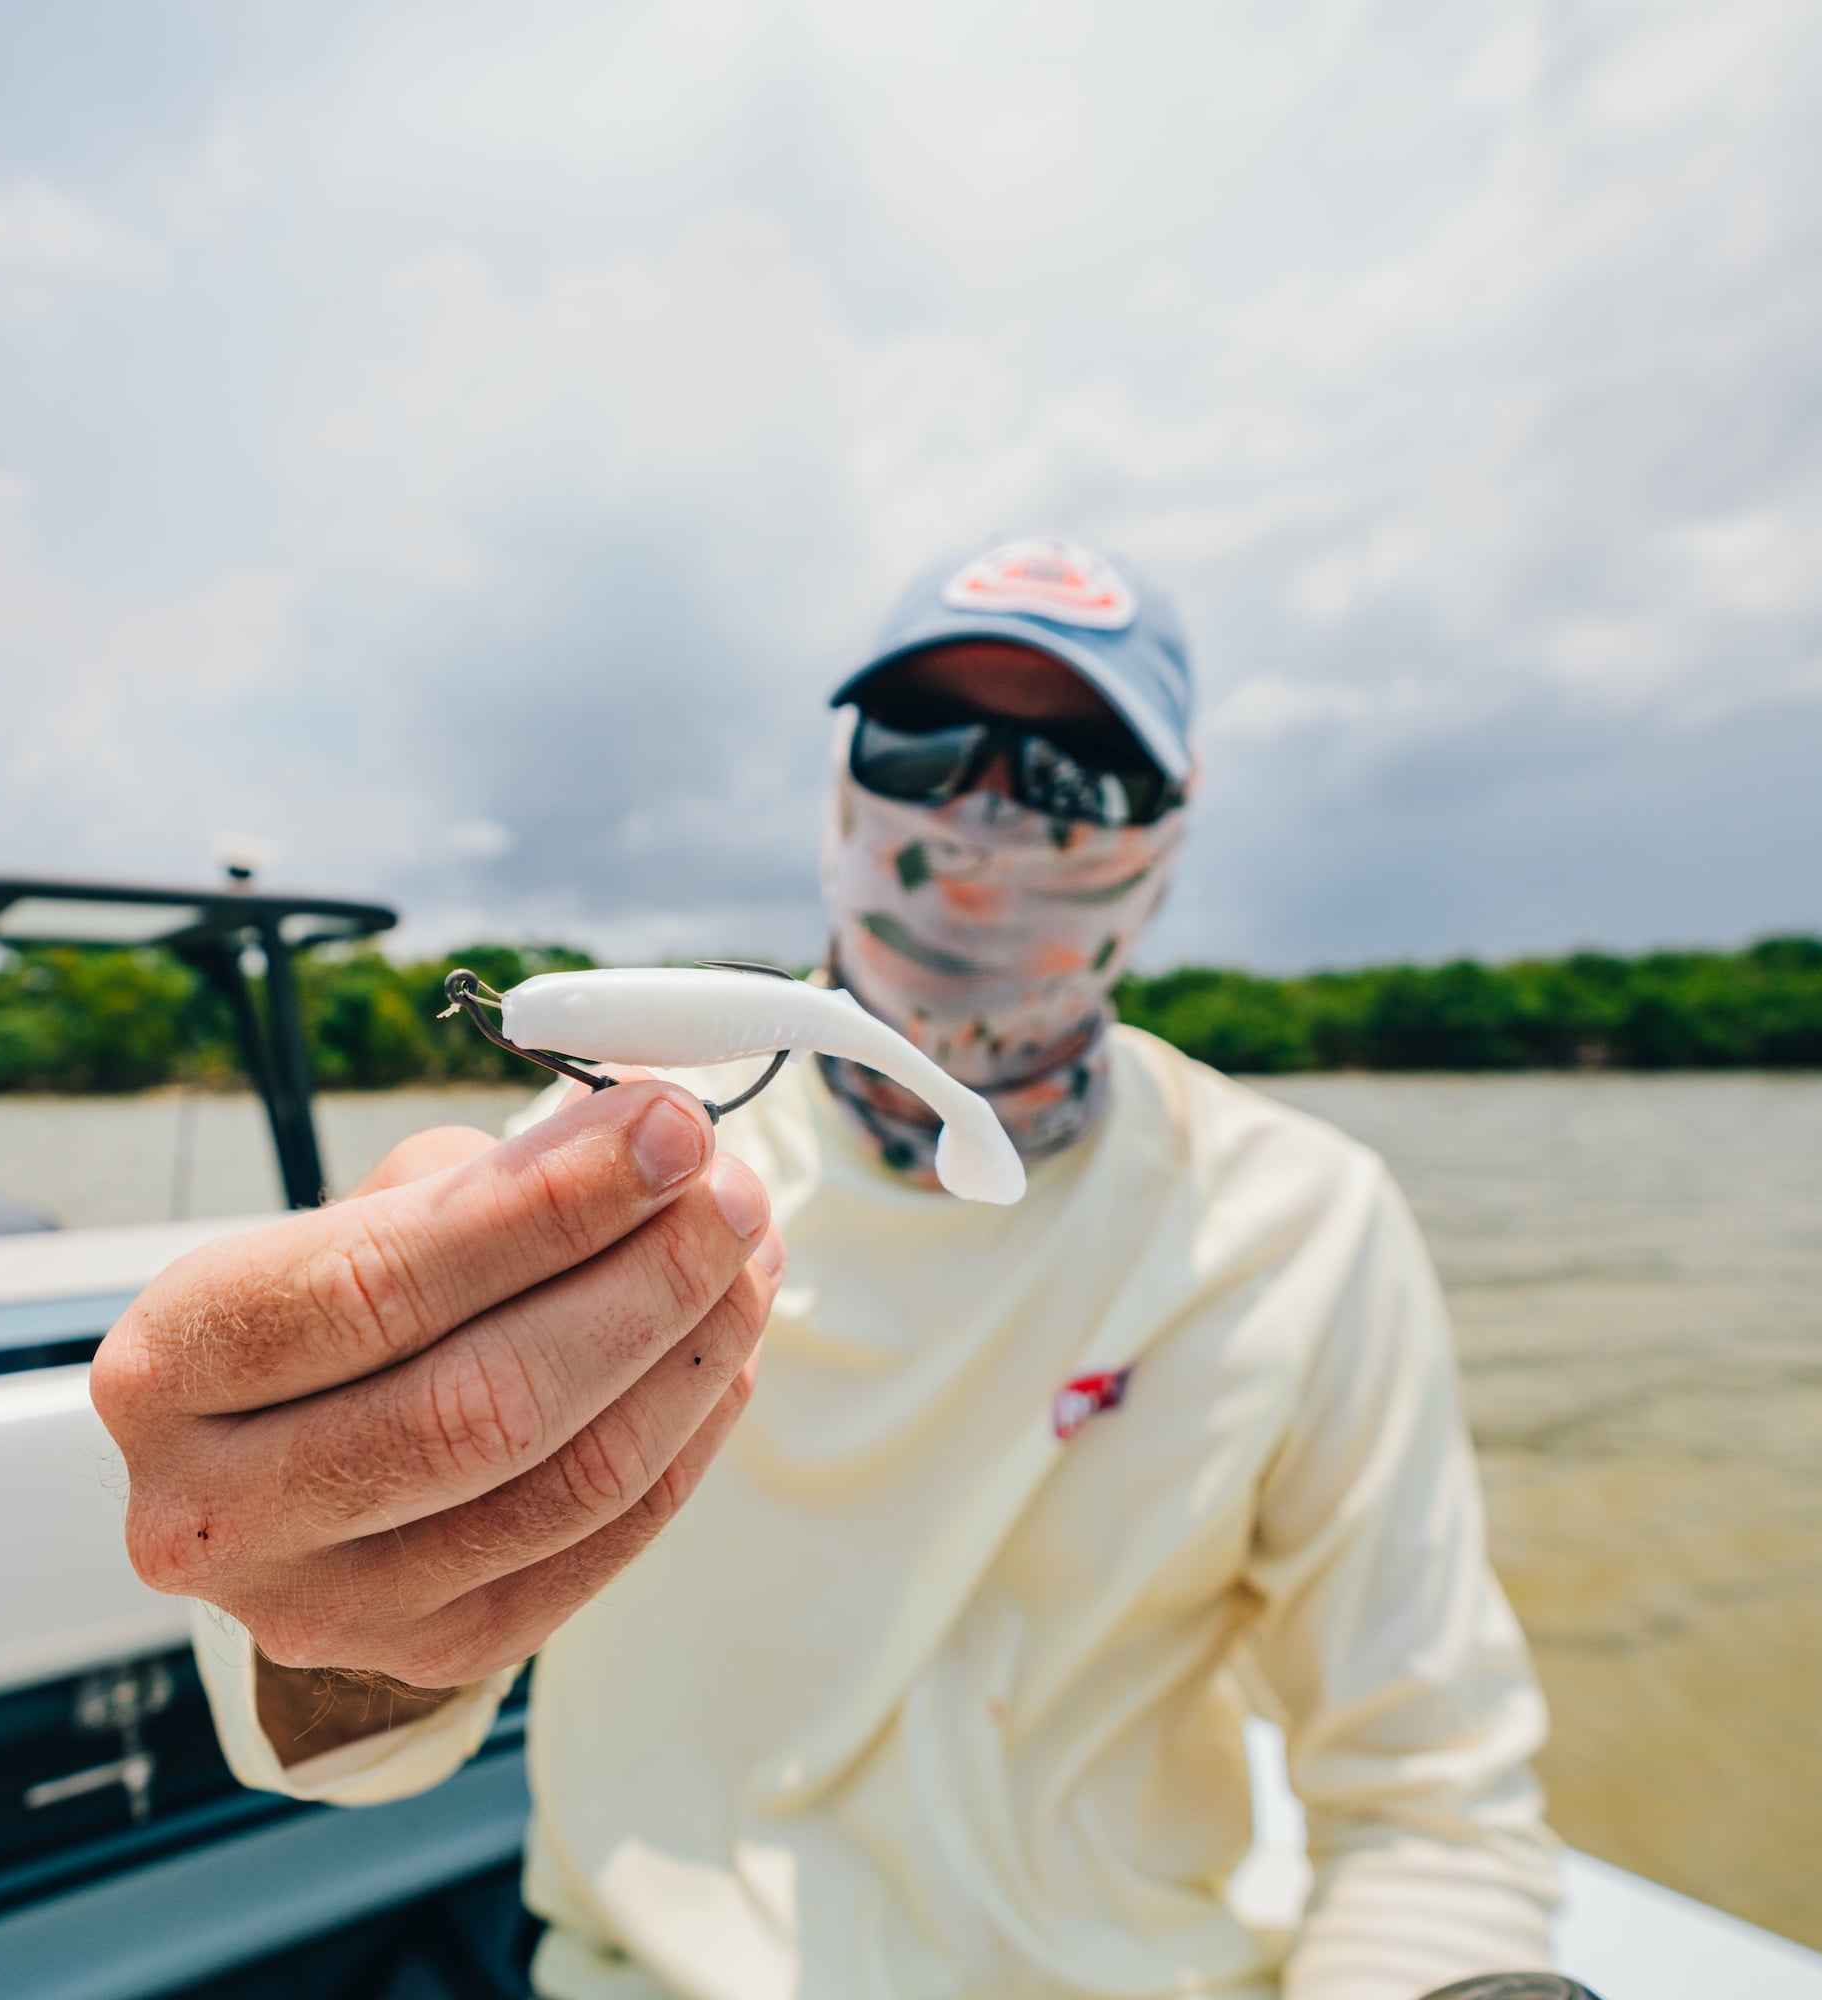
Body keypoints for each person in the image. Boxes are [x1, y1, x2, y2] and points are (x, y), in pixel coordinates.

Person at [93, 536, 1562, 2000]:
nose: (984, 813)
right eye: (921, 745)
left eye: (1072, 773)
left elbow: (1432, 1797)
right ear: (843, 789)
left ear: (1164, 840)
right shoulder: (625, 1159)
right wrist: (338, 1576)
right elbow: (354, 1731)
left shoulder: (1304, 1221)